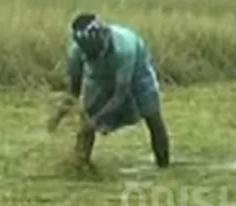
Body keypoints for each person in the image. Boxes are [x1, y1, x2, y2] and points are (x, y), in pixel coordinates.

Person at [47, 14, 171, 169]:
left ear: (102, 38)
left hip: (137, 76)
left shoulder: (123, 49)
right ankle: (80, 165)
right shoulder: (77, 51)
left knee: (153, 117)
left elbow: (121, 94)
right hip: (100, 77)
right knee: (86, 120)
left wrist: (96, 120)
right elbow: (73, 91)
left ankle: (164, 165)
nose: (92, 55)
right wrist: (58, 116)